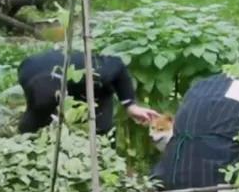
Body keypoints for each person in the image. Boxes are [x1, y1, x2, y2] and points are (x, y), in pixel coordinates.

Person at [17, 49, 157, 136]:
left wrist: (130, 105)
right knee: (32, 130)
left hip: (93, 90)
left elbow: (118, 65)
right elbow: (35, 113)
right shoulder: (26, 72)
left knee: (99, 132)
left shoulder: (95, 73)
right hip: (48, 86)